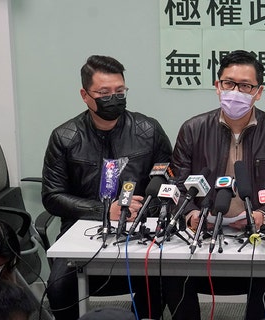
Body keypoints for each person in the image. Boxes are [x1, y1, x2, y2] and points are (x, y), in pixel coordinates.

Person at [170, 49, 265, 320]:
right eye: (229, 83)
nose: (236, 91)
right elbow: (178, 186)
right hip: (202, 235)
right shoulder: (193, 129)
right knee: (171, 273)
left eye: (245, 86)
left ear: (259, 91)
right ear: (217, 86)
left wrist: (264, 216)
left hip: (258, 238)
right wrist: (191, 214)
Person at [42, 55, 174, 320]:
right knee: (58, 288)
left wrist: (147, 208)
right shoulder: (65, 137)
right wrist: (104, 211)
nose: (113, 98)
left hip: (140, 233)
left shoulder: (148, 130)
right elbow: (52, 196)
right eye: (104, 93)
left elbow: (170, 183)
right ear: (85, 94)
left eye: (119, 91)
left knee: (160, 283)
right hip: (82, 235)